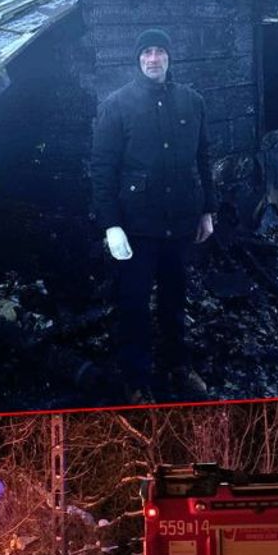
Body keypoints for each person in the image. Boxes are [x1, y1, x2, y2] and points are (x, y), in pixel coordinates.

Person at [90, 27, 216, 403]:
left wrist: (207, 209)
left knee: (175, 300)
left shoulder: (192, 102)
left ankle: (178, 365)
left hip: (180, 223)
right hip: (136, 227)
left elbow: (204, 158)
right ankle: (137, 379)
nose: (153, 59)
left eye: (159, 52)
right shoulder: (117, 105)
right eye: (146, 52)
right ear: (138, 59)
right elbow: (102, 167)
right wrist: (111, 224)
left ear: (169, 58)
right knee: (134, 304)